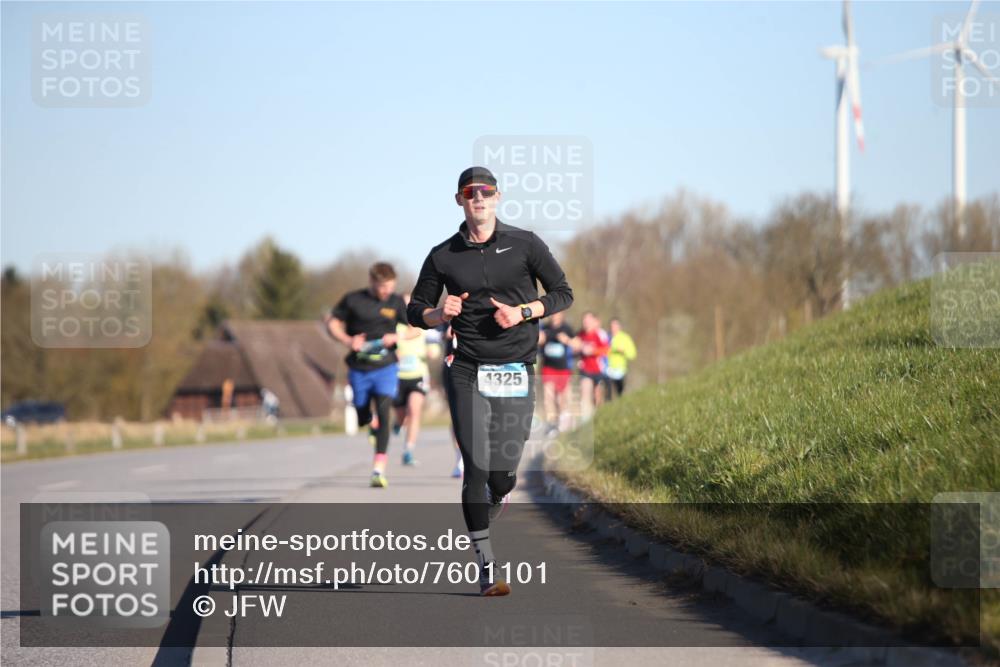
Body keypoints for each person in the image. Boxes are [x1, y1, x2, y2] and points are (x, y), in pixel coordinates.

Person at [407, 166, 573, 596]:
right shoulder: (443, 255)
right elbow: (415, 309)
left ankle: (499, 494)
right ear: (459, 200)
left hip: (515, 367)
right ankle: (487, 568)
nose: (478, 198)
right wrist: (437, 313)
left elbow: (563, 292)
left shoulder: (526, 244)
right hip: (466, 368)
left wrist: (523, 312)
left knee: (502, 474)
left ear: (498, 197)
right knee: (475, 466)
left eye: (486, 191)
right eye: (470, 192)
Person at [326, 262, 407, 488]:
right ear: (372, 282)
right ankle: (369, 421)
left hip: (386, 367)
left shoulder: (396, 302)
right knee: (362, 412)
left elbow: (416, 328)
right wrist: (348, 340)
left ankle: (378, 470)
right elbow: (332, 323)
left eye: (390, 286)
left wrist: (397, 337)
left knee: (385, 412)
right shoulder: (353, 300)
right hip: (359, 368)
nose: (387, 291)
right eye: (383, 287)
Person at [393, 293, 429, 466]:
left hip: (418, 374)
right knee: (402, 416)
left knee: (414, 410)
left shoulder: (423, 325)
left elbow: (433, 345)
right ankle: (398, 423)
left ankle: (408, 450)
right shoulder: (395, 328)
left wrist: (433, 351)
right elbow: (388, 344)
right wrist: (394, 353)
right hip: (398, 377)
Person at [538, 311, 575, 436]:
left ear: (562, 316)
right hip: (548, 368)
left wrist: (567, 340)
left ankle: (562, 421)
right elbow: (538, 340)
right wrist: (540, 339)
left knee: (560, 399)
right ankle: (552, 424)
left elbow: (577, 345)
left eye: (557, 314)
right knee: (548, 397)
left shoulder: (567, 328)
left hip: (563, 369)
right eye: (553, 314)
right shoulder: (545, 327)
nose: (554, 317)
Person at [572, 311, 609, 418]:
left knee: (597, 396)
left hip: (598, 369)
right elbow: (574, 349)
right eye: (584, 320)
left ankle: (598, 415)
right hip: (585, 370)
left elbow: (607, 350)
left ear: (593, 321)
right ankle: (586, 418)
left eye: (588, 320)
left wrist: (593, 351)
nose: (586, 322)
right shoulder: (580, 334)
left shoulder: (599, 334)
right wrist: (576, 351)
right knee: (584, 392)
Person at [606, 317, 637, 399]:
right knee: (608, 392)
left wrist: (623, 351)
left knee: (619, 391)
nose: (613, 328)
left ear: (620, 326)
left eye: (615, 326)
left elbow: (632, 354)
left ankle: (620, 402)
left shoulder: (625, 338)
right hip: (607, 368)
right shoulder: (606, 337)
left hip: (620, 369)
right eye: (612, 326)